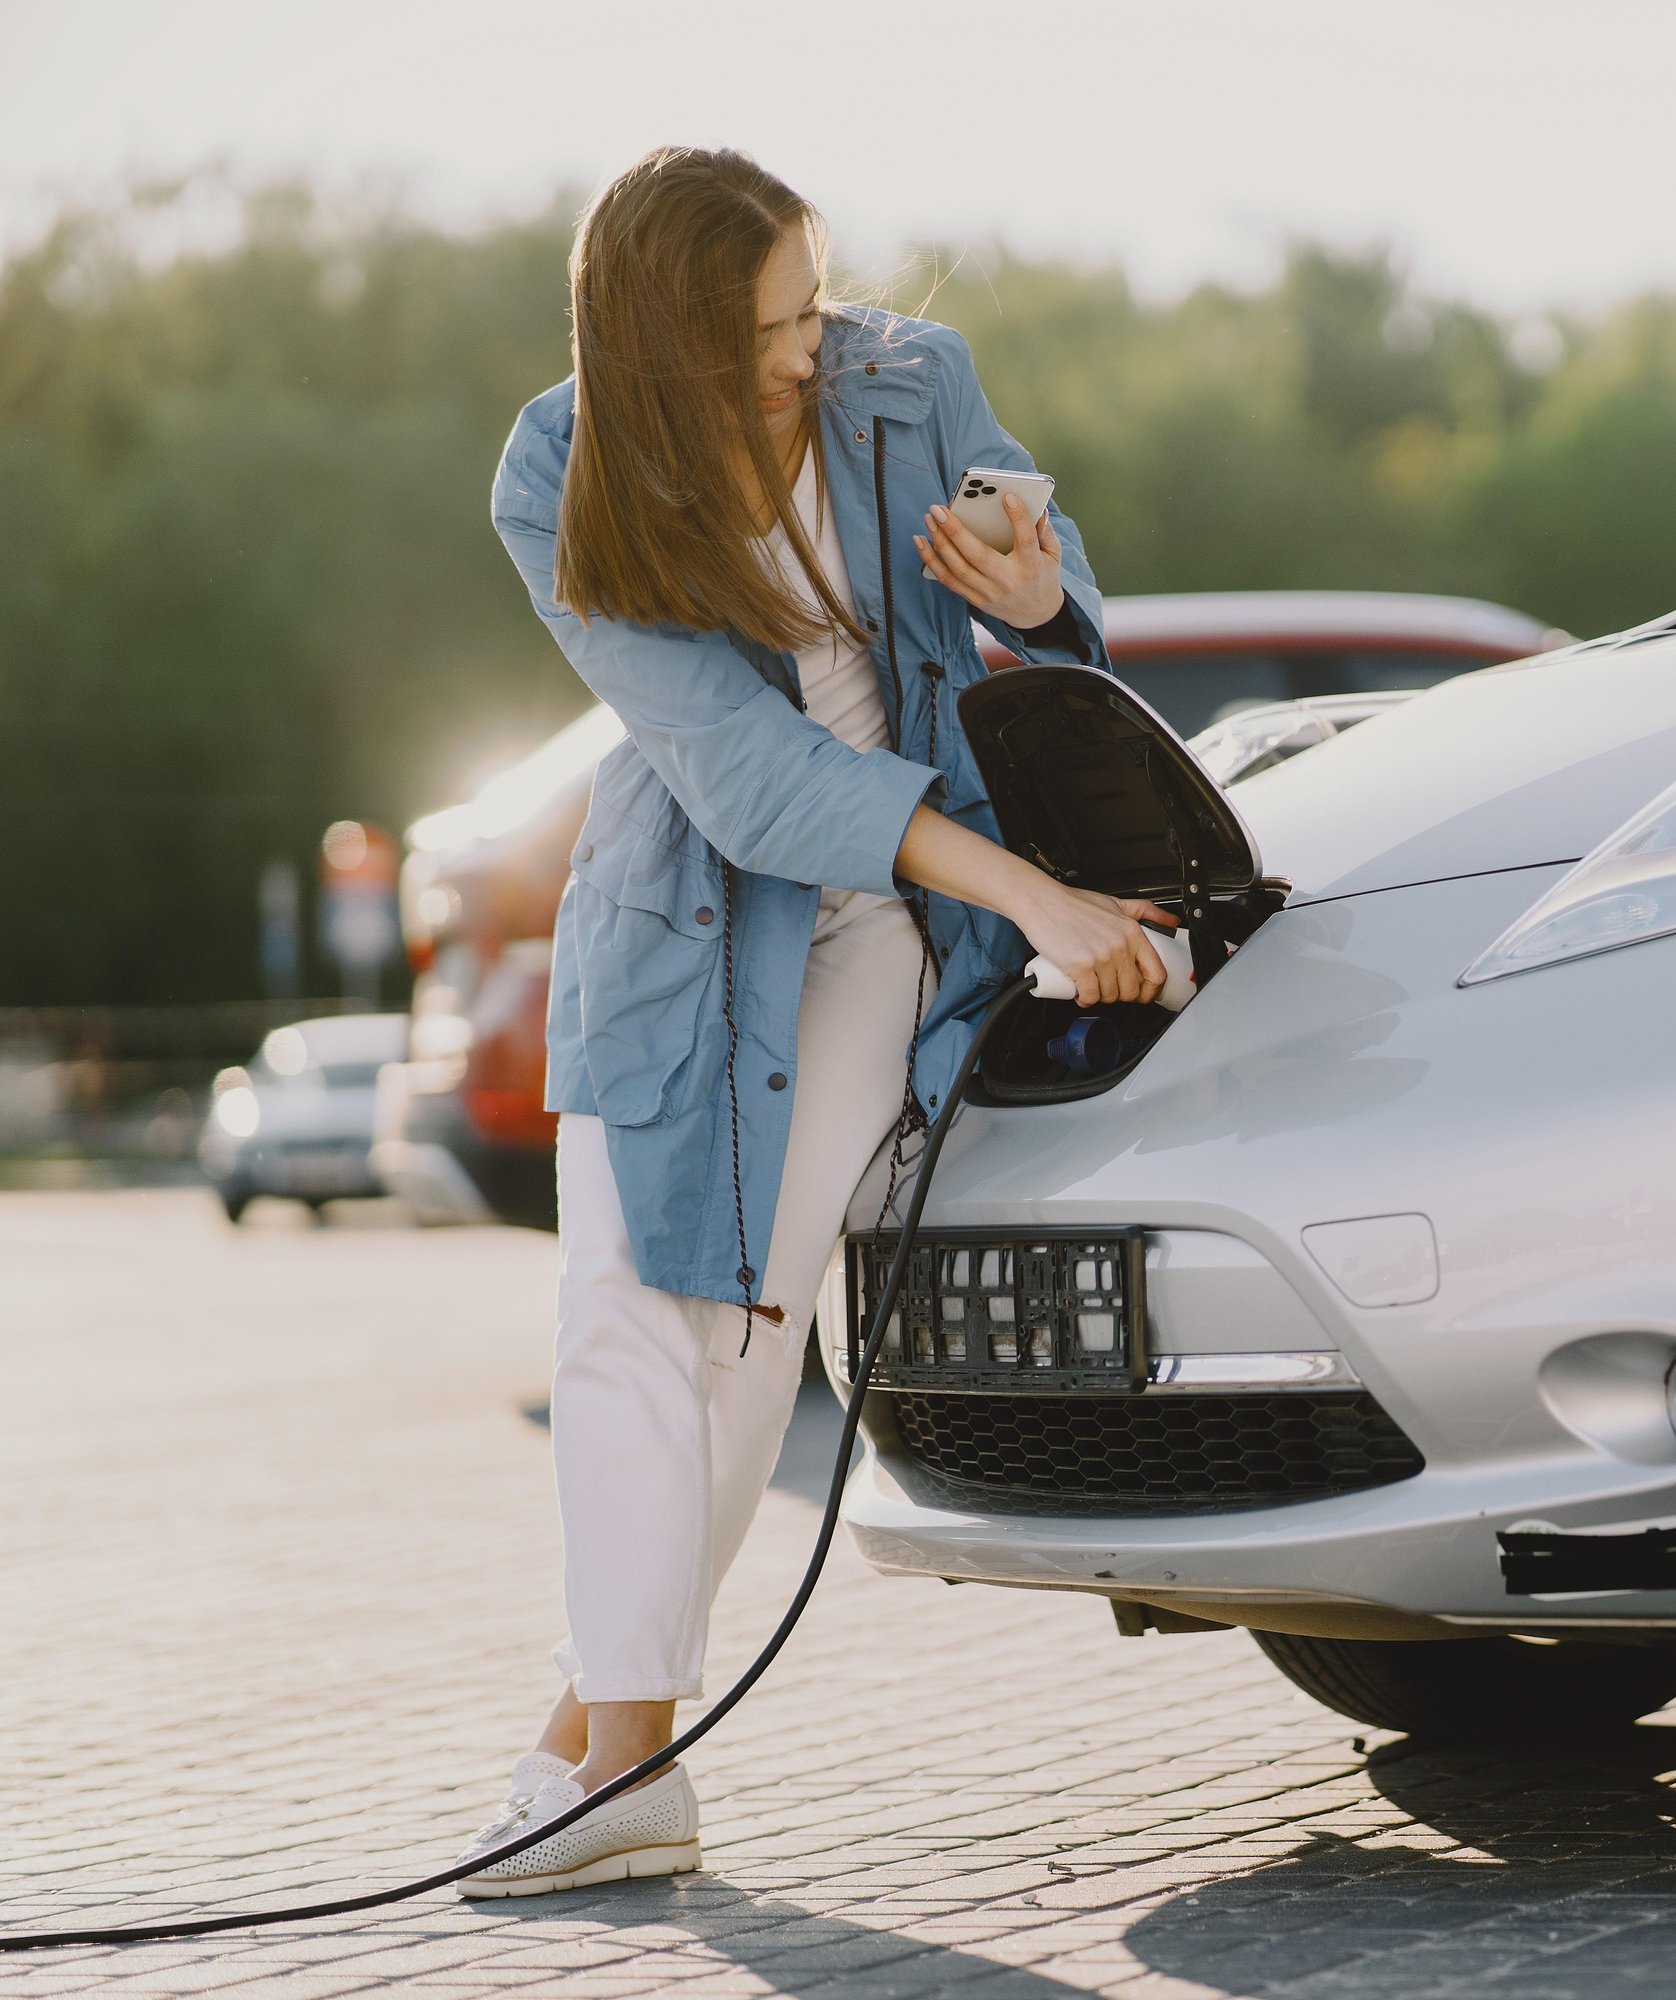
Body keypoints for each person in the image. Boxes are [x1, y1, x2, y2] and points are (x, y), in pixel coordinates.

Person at [457, 147, 1172, 1896]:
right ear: (675, 348)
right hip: (692, 913)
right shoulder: (558, 468)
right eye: (775, 326)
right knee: (622, 1312)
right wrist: (1042, 902)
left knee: (747, 1323)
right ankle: (624, 1749)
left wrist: (1031, 585)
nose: (813, 346)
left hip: (895, 927)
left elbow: (1055, 573)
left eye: (812, 301)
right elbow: (749, 776)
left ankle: (607, 1749)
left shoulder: (900, 381)